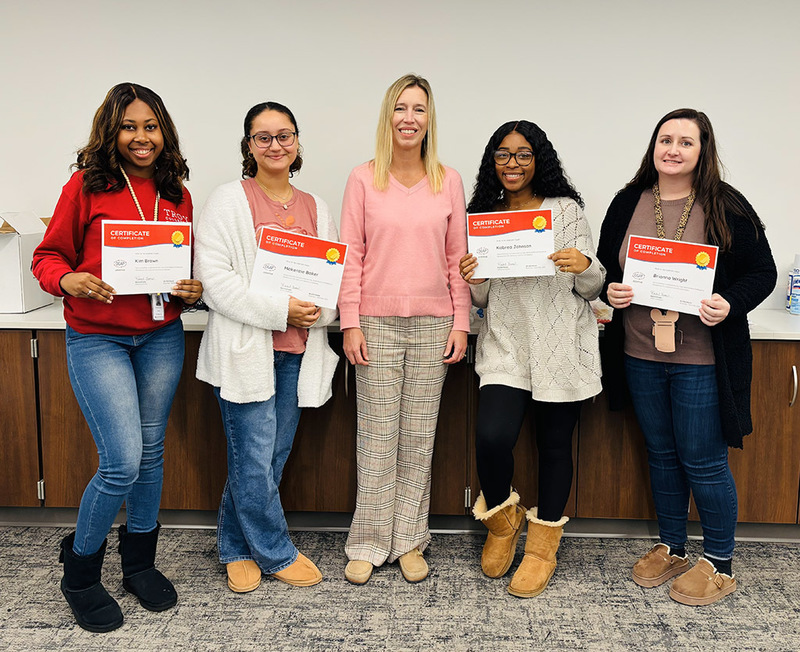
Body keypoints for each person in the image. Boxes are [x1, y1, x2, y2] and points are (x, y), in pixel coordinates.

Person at [32, 83, 201, 632]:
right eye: (129, 126)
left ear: (164, 132)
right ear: (111, 131)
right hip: (97, 337)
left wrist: (191, 290)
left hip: (160, 335)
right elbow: (47, 257)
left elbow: (183, 271)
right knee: (122, 460)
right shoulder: (86, 186)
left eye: (151, 127)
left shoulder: (176, 193)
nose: (141, 137)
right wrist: (69, 279)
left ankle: (139, 564)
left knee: (151, 455)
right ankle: (80, 575)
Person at [596, 108, 777, 606]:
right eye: (665, 139)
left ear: (703, 150)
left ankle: (719, 562)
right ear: (653, 146)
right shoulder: (628, 201)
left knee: (704, 460)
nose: (673, 149)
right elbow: (606, 267)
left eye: (685, 142)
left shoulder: (725, 203)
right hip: (639, 352)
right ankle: (673, 546)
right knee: (661, 454)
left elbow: (762, 272)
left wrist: (730, 303)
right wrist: (611, 290)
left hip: (702, 358)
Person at [193, 102, 339, 593]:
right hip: (246, 352)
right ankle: (276, 552)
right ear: (248, 145)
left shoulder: (317, 207)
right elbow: (215, 282)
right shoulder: (228, 201)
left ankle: (236, 548)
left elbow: (333, 278)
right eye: (264, 137)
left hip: (298, 352)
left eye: (285, 135)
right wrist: (281, 312)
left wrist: (320, 312)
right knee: (252, 459)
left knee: (270, 457)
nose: (276, 145)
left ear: (297, 142)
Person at [459, 120, 605, 598]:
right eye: (503, 154)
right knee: (492, 438)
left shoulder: (565, 211)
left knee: (555, 446)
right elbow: (482, 300)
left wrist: (585, 266)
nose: (513, 163)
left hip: (560, 345)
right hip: (506, 345)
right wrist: (475, 278)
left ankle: (542, 549)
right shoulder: (484, 215)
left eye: (523, 154)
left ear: (539, 160)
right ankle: (503, 524)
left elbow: (592, 288)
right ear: (492, 162)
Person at [339, 74, 470, 585]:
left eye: (418, 108)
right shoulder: (362, 178)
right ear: (387, 116)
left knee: (418, 437)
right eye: (400, 107)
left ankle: (410, 540)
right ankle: (369, 542)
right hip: (375, 322)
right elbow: (351, 255)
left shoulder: (448, 180)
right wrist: (350, 322)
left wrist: (461, 322)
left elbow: (457, 260)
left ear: (429, 118)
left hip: (435, 324)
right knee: (376, 436)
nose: (409, 118)